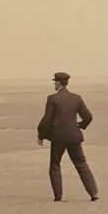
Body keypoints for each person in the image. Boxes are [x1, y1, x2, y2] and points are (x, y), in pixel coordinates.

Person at [36, 71, 97, 202]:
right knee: (81, 164)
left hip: (58, 137)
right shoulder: (76, 98)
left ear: (58, 83)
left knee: (55, 165)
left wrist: (41, 134)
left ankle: (58, 197)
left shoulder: (52, 98)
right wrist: (80, 125)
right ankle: (94, 194)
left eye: (55, 82)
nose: (54, 84)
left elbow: (47, 119)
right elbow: (88, 117)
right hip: (74, 136)